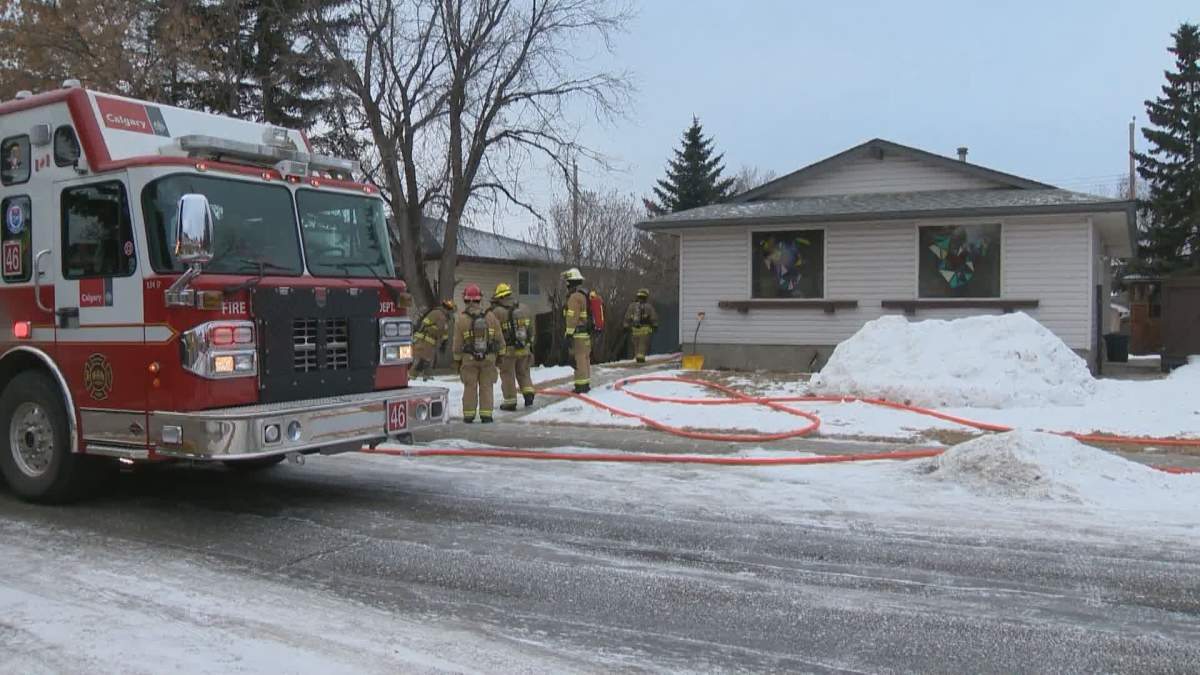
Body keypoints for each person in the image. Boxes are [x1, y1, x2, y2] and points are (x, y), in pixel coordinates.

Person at [452, 284, 505, 423]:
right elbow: (500, 340)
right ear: (479, 299)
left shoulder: (461, 319)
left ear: (465, 300)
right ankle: (486, 415)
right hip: (489, 359)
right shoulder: (491, 317)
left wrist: (457, 361)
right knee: (487, 386)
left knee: (470, 386)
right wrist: (499, 358)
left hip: (469, 360)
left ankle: (469, 415)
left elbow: (457, 345)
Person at [488, 283, 536, 411]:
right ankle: (528, 393)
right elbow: (531, 329)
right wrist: (529, 344)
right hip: (524, 348)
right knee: (524, 372)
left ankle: (510, 401)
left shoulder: (496, 312)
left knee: (507, 374)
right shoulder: (524, 308)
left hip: (508, 351)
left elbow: (493, 333)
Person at [561, 267, 595, 393]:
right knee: (585, 358)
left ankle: (580, 386)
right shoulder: (584, 294)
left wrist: (569, 334)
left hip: (578, 334)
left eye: (567, 282)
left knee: (579, 359)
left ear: (571, 282)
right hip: (585, 334)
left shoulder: (574, 297)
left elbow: (572, 316)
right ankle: (585, 383)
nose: (566, 284)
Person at [411, 298, 455, 380]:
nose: (451, 313)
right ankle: (411, 378)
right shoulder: (441, 315)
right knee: (421, 360)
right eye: (451, 310)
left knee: (426, 360)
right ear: (448, 309)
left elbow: (442, 330)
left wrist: (444, 340)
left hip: (424, 340)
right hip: (425, 340)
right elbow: (441, 330)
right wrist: (444, 341)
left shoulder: (437, 312)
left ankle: (425, 377)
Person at [623, 288, 658, 364]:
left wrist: (626, 325)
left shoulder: (632, 306)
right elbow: (653, 317)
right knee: (643, 344)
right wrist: (655, 325)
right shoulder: (649, 307)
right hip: (645, 329)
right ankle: (640, 357)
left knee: (636, 345)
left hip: (635, 330)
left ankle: (637, 357)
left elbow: (627, 317)